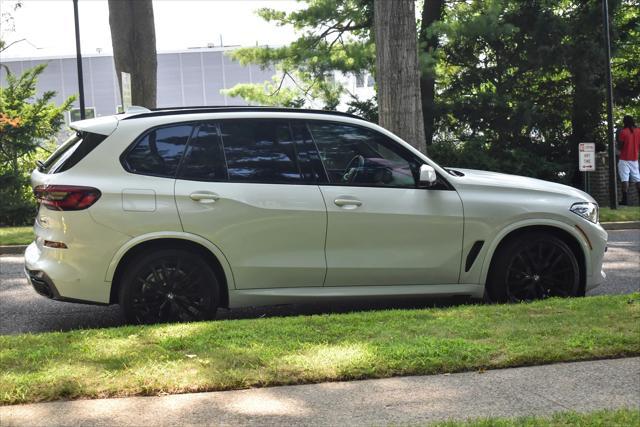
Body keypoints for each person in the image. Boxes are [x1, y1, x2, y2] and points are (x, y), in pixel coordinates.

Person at [618, 115, 640, 205]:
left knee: (624, 179)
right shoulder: (638, 131)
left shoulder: (623, 132)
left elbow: (620, 146)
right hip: (634, 158)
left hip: (624, 158)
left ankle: (624, 200)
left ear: (625, 122)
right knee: (638, 179)